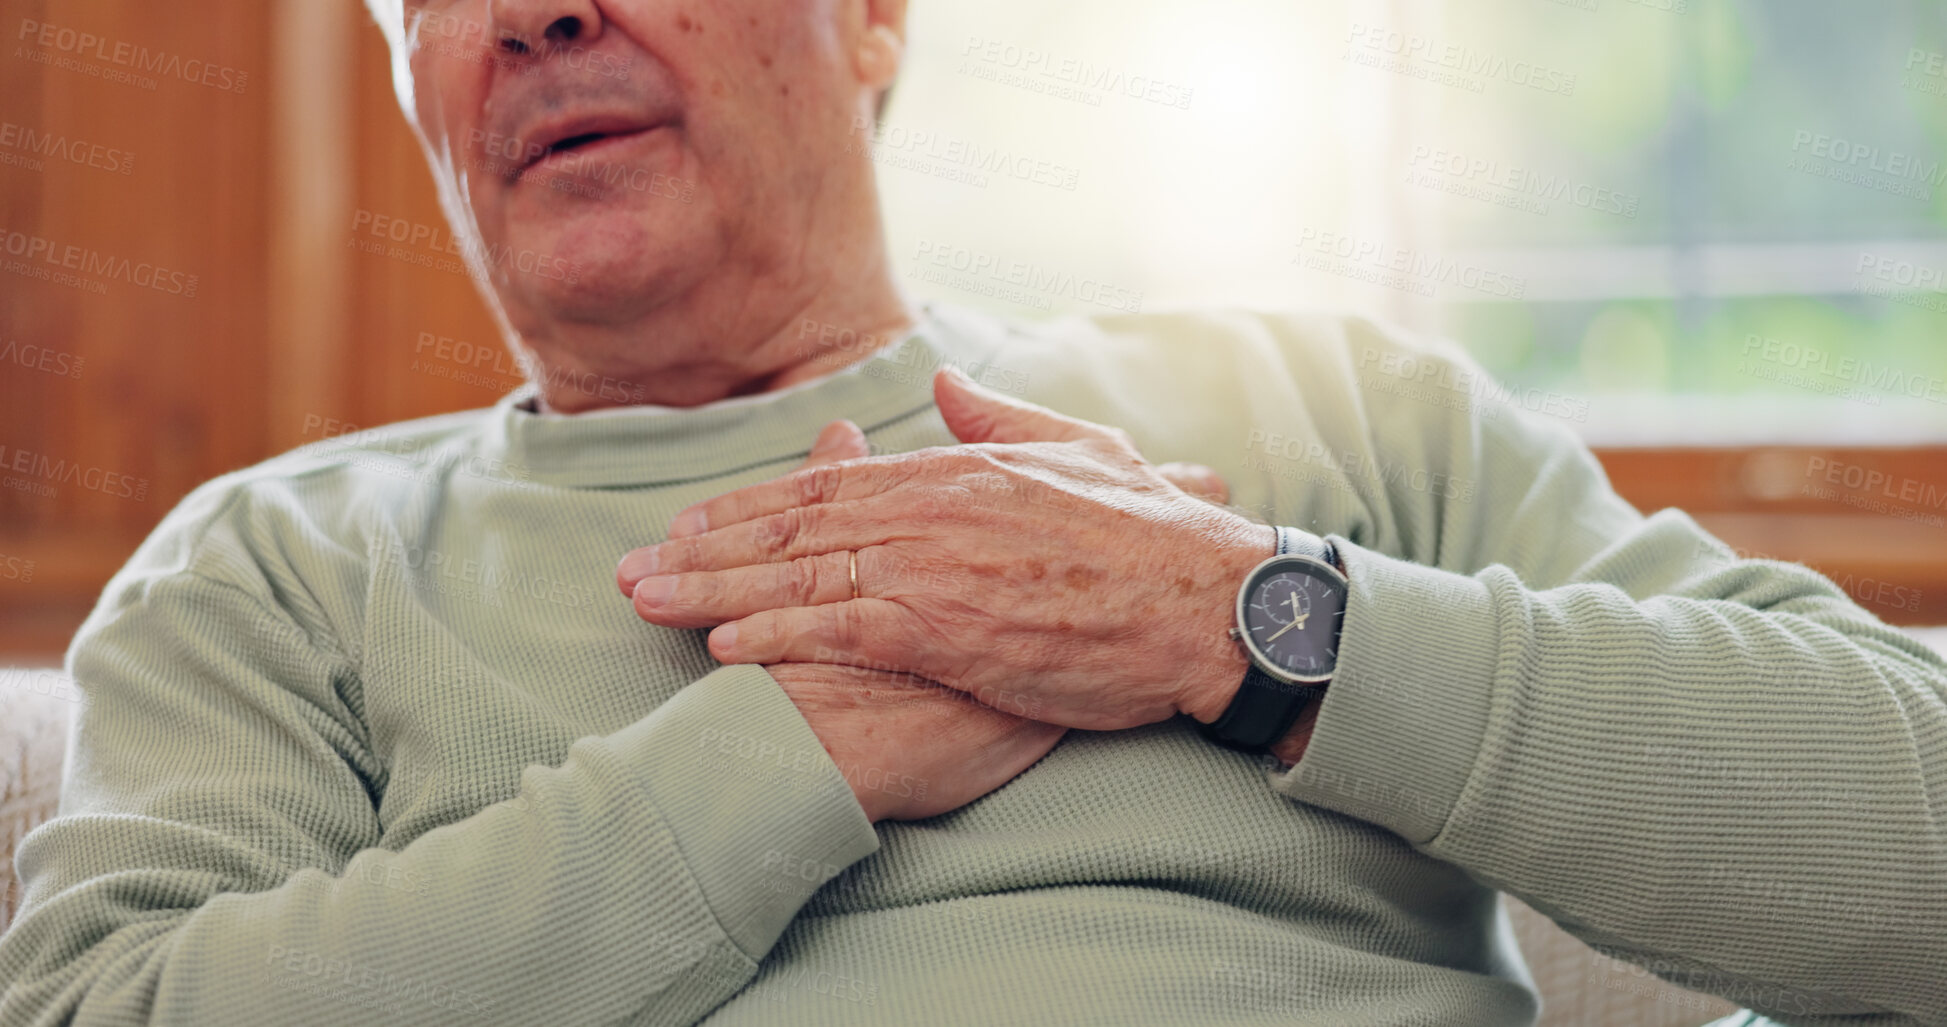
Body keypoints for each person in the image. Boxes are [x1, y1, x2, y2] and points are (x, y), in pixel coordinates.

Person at [2, 0, 1943, 1024]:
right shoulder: (280, 565)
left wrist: (1243, 623)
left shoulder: (1316, 412)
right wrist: (792, 754)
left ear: (871, 17)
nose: (532, 12)